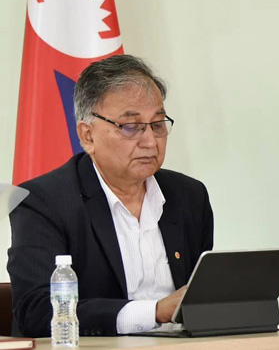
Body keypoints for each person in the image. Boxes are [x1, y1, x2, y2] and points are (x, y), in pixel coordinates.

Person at [8, 55, 214, 337]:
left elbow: (200, 298)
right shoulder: (42, 201)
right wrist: (154, 311)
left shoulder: (189, 196)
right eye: (130, 127)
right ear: (88, 136)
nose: (150, 141)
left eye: (157, 124)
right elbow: (37, 311)